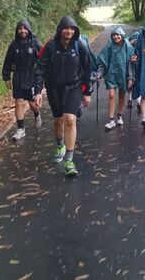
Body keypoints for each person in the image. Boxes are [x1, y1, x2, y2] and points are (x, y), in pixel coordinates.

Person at [33, 16, 94, 176]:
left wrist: (87, 92)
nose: (69, 31)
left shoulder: (80, 46)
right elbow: (40, 68)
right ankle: (60, 144)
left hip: (74, 87)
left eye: (72, 28)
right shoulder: (51, 46)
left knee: (70, 119)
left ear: (75, 31)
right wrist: (38, 91)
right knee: (58, 120)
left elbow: (88, 70)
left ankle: (69, 159)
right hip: (54, 88)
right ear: (60, 29)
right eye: (66, 28)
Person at [2, 19, 42, 140]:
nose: (22, 31)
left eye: (25, 28)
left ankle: (37, 114)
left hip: (31, 77)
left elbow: (44, 59)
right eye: (20, 28)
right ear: (17, 30)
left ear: (28, 29)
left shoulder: (35, 43)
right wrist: (6, 76)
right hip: (18, 77)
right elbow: (7, 61)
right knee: (18, 102)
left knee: (32, 104)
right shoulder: (14, 45)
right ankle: (20, 129)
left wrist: (44, 75)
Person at [96, 26, 135, 131]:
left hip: (124, 75)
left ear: (122, 35)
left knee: (122, 95)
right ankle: (111, 119)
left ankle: (119, 116)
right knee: (112, 95)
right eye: (114, 35)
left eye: (118, 35)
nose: (116, 37)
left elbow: (132, 63)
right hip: (111, 74)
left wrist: (131, 78)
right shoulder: (109, 47)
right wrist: (99, 73)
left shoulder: (128, 47)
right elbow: (102, 62)